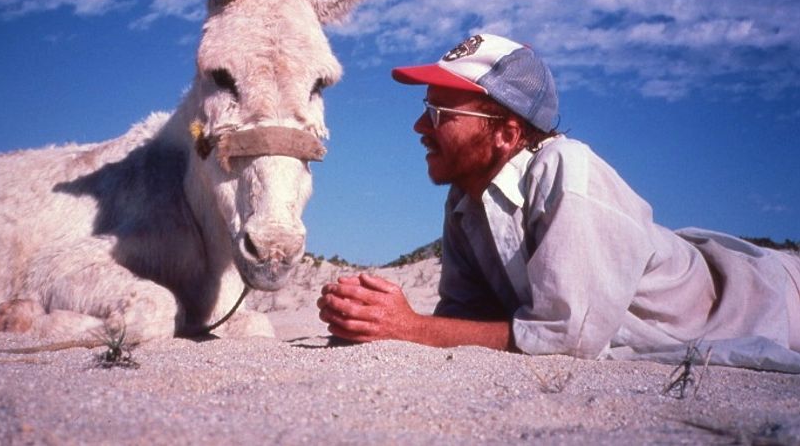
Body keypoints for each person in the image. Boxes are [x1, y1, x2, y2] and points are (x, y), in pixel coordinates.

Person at [317, 33, 800, 370]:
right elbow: (469, 322)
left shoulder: (567, 169)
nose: (420, 127)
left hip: (767, 296)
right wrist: (370, 314)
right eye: (425, 110)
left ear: (506, 133)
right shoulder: (466, 200)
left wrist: (411, 328)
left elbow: (565, 340)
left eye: (438, 112)